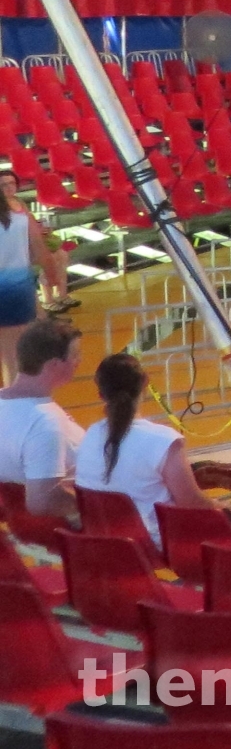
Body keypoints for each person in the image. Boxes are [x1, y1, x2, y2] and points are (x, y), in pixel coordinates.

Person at [75, 352, 231, 549]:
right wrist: (222, 506)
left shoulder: (90, 435)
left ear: (101, 394)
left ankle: (199, 473)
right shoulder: (163, 439)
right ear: (145, 382)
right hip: (163, 540)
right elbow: (191, 503)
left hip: (111, 540)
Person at [0, 317, 84, 523]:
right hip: (68, 528)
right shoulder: (45, 421)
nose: (79, 361)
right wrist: (98, 506)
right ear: (54, 364)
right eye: (74, 355)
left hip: (19, 528)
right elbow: (42, 501)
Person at [0, 170, 53, 385]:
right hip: (8, 283)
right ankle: (12, 391)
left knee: (22, 342)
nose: (8, 188)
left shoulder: (21, 207)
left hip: (20, 280)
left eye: (11, 183)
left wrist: (47, 267)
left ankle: (17, 388)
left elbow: (35, 243)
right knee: (10, 347)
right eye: (4, 184)